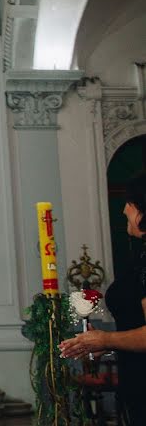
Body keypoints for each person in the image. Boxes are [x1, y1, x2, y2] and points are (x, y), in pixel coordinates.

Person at [60, 176, 146, 424]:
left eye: (129, 202)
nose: (123, 209)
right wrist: (106, 344)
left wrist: (106, 338)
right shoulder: (140, 255)